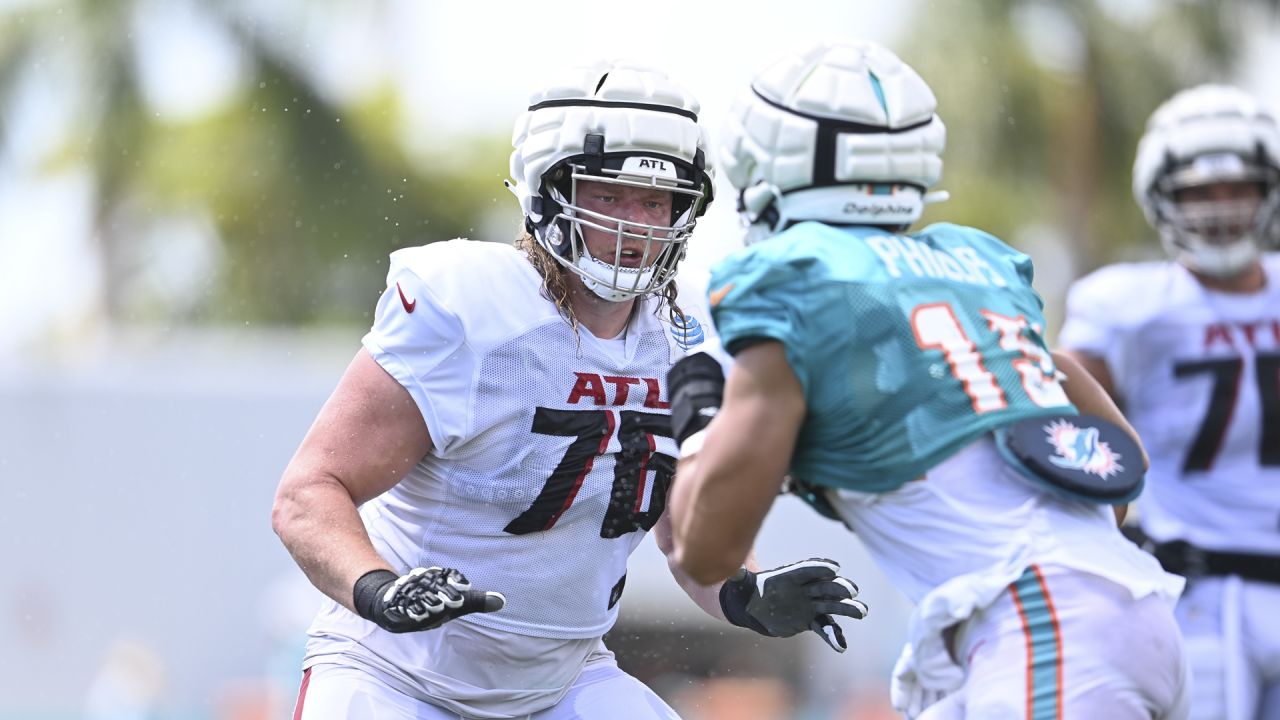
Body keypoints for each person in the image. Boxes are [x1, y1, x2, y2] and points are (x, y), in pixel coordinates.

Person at [271, 60, 867, 720]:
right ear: (547, 192)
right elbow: (308, 492)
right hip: (394, 673)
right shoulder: (471, 308)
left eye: (656, 199)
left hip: (561, 680)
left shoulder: (690, 337)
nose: (635, 223)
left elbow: (684, 531)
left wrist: (744, 590)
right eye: (608, 195)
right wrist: (378, 588)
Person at [665, 41, 1189, 719]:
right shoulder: (973, 266)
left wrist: (700, 419)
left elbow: (707, 552)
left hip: (1036, 624)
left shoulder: (795, 279)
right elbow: (1121, 474)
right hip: (1121, 619)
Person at [1058, 84, 1280, 720]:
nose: (1219, 208)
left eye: (1236, 187)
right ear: (1162, 196)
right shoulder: (1128, 306)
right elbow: (1062, 437)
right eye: (1198, 191)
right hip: (1199, 595)